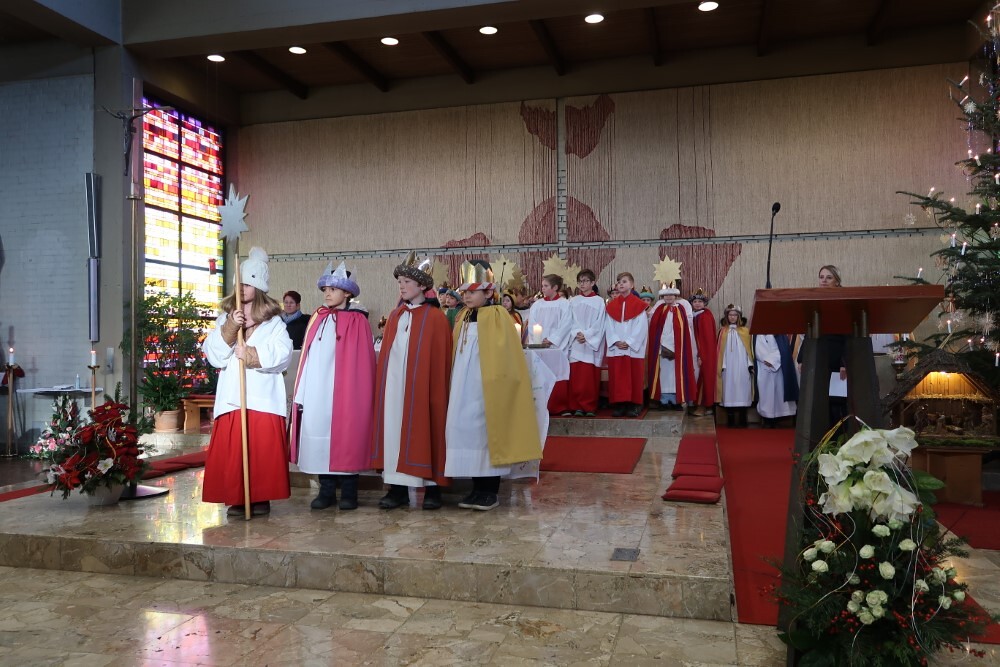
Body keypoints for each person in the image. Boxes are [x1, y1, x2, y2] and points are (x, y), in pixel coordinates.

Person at [445, 259, 542, 511]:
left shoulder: (499, 316)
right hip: (463, 387)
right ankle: (476, 488)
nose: (466, 296)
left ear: (488, 292)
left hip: (487, 387)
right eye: (464, 291)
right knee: (467, 433)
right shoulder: (463, 316)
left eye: (472, 291)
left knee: (487, 434)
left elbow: (506, 356)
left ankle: (489, 491)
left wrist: (498, 383)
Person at [202, 247, 292, 517]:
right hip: (233, 397)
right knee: (234, 451)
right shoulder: (225, 319)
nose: (242, 288)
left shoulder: (274, 323)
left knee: (261, 451)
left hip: (262, 398)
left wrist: (252, 354)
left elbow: (284, 354)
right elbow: (214, 355)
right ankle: (237, 498)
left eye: (248, 283)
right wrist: (231, 328)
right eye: (239, 283)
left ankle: (260, 497)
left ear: (259, 286)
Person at [287, 262, 374, 511]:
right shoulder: (318, 317)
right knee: (319, 436)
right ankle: (326, 490)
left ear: (347, 293)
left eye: (333, 289)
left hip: (345, 389)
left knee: (347, 436)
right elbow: (307, 355)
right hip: (318, 388)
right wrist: (304, 389)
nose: (327, 294)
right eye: (325, 289)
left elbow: (363, 361)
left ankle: (349, 491)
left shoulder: (357, 320)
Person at [372, 253, 453, 510]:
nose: (402, 286)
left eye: (407, 281)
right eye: (400, 282)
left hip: (423, 389)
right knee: (394, 430)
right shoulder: (396, 316)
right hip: (395, 387)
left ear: (421, 285)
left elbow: (439, 361)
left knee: (427, 427)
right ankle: (397, 490)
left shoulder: (436, 318)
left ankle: (432, 490)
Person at [528, 274, 573, 415]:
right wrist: (539, 340)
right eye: (542, 286)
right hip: (540, 346)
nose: (543, 288)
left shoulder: (564, 304)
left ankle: (558, 406)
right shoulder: (537, 305)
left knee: (557, 374)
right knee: (540, 375)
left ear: (555, 287)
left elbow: (566, 324)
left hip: (556, 347)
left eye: (546, 286)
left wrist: (553, 339)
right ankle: (541, 407)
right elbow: (532, 324)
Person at [604, 272, 648, 417]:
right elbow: (608, 325)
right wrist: (616, 341)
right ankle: (619, 404)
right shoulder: (611, 306)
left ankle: (635, 404)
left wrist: (629, 342)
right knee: (617, 376)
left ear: (632, 284)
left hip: (632, 349)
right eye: (619, 282)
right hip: (616, 348)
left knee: (634, 375)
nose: (621, 284)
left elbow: (641, 327)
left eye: (624, 281)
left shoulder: (639, 305)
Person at [649, 284, 697, 411]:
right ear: (662, 296)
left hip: (677, 348)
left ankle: (676, 401)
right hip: (662, 348)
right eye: (666, 295)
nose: (669, 297)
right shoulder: (659, 309)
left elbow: (685, 328)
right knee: (663, 375)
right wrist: (661, 345)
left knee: (676, 374)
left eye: (671, 295)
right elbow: (654, 327)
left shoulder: (681, 309)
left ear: (675, 296)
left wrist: (677, 347)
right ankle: (663, 400)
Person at [567, 269, 606, 416]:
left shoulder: (599, 301)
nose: (582, 284)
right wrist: (577, 333)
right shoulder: (573, 301)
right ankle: (577, 406)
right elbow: (569, 320)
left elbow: (600, 323)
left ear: (592, 282)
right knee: (576, 376)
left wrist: (587, 335)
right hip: (576, 341)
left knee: (589, 377)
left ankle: (589, 406)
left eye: (585, 281)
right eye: (580, 281)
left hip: (590, 343)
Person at [716, 304, 754, 428]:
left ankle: (743, 419)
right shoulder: (722, 331)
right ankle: (730, 419)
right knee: (729, 389)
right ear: (727, 316)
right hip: (727, 367)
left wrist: (750, 364)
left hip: (742, 365)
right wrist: (722, 365)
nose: (732, 317)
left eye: (735, 315)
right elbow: (720, 350)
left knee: (743, 388)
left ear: (739, 317)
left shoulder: (745, 331)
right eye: (730, 315)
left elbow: (749, 349)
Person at [754, 333, 798, 427]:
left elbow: (783, 349)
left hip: (778, 367)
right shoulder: (758, 335)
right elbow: (757, 349)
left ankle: (776, 419)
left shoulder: (780, 335)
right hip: (763, 368)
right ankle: (767, 419)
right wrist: (767, 360)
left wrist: (772, 361)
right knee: (766, 395)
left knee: (778, 394)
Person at [689, 289, 717, 417]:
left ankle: (703, 405)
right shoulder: (693, 315)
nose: (697, 304)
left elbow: (706, 339)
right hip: (693, 350)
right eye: (695, 301)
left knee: (703, 377)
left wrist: (701, 355)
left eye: (700, 301)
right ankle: (694, 403)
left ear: (704, 303)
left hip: (703, 353)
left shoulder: (705, 316)